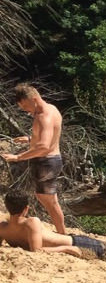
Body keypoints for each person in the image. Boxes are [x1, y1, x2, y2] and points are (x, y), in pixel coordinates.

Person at [0, 191, 106, 269]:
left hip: (76, 242)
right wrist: (65, 249)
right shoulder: (31, 222)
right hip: (76, 243)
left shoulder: (3, 228)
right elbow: (36, 250)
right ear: (26, 209)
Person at [3, 84, 66, 234]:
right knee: (48, 199)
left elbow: (44, 146)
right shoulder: (52, 109)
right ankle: (62, 232)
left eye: (25, 106)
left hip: (47, 161)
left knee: (49, 200)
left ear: (34, 99)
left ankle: (62, 233)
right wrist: (31, 139)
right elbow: (48, 136)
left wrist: (18, 157)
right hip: (51, 160)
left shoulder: (44, 116)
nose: (25, 110)